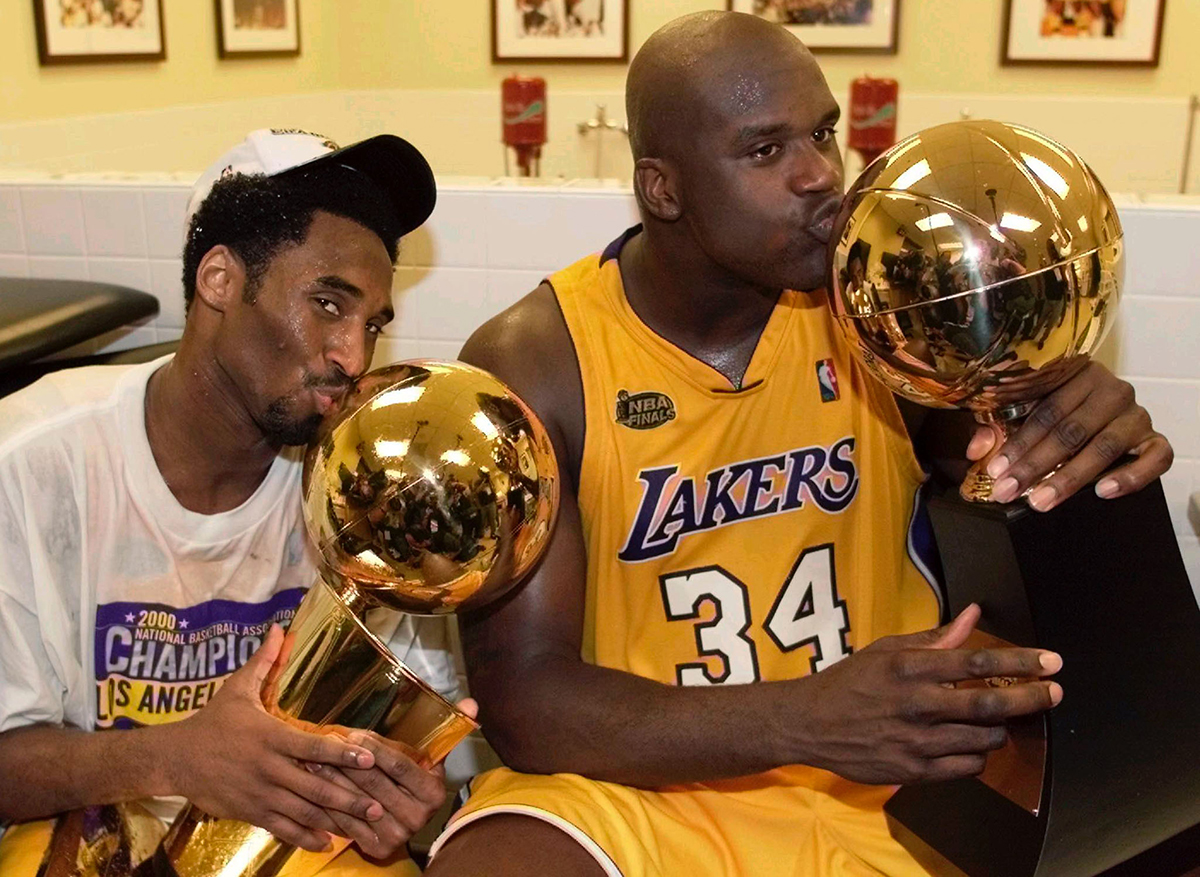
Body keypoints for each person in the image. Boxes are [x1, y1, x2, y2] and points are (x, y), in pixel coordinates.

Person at [424, 12, 1172, 877]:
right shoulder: (538, 362)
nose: (822, 175)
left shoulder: (890, 314)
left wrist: (1077, 423)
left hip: (887, 776)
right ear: (663, 189)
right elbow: (524, 697)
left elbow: (1015, 460)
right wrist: (803, 717)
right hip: (635, 785)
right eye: (765, 150)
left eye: (823, 133)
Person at [0, 129, 469, 876]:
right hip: (82, 832)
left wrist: (392, 802)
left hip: (284, 840)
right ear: (218, 279)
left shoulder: (366, 488)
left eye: (372, 324)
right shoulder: (29, 461)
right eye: (326, 303)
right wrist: (179, 759)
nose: (352, 355)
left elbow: (389, 784)